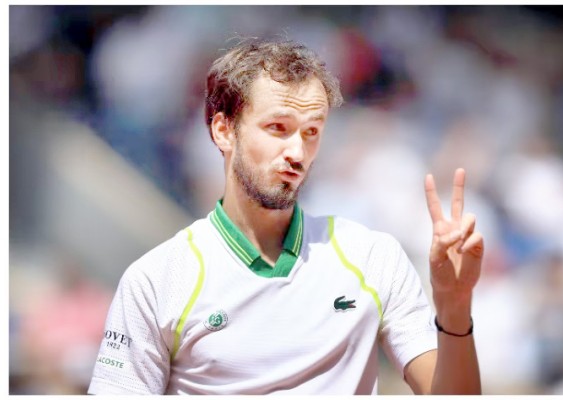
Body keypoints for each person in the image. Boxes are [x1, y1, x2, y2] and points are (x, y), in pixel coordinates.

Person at [88, 39, 484, 395]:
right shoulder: (156, 280)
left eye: (311, 132)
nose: (297, 152)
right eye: (278, 128)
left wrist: (454, 306)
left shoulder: (372, 257)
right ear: (223, 130)